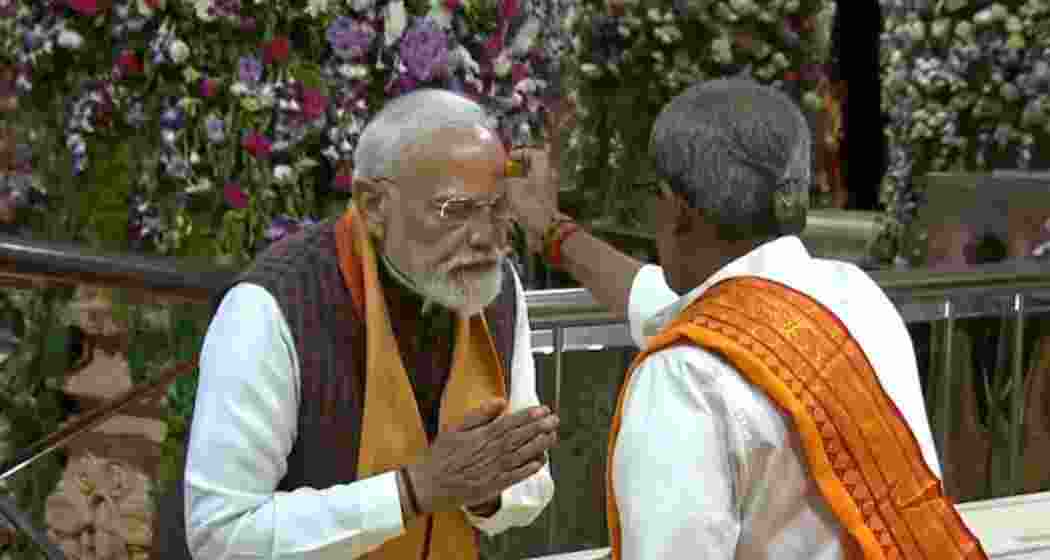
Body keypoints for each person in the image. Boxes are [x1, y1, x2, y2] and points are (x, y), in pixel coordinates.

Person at [511, 79, 987, 559]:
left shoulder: (685, 374)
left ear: (675, 209)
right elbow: (657, 296)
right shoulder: (853, 294)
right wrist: (549, 228)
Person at [162, 89, 558, 560]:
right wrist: (413, 491)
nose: (486, 237)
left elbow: (529, 480)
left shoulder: (497, 286)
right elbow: (221, 534)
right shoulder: (274, 305)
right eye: (456, 211)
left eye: (497, 209)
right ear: (374, 206)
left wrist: (483, 489)